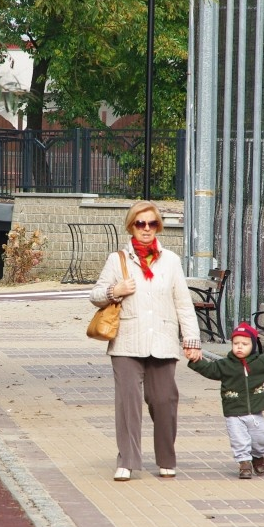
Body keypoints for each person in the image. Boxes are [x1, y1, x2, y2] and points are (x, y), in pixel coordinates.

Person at [89, 201, 202, 481]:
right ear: (131, 226)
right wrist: (115, 290)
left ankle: (166, 457)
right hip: (127, 341)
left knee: (164, 400)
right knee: (128, 403)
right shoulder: (118, 260)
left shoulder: (171, 261)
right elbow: (95, 295)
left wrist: (191, 339)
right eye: (141, 224)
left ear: (158, 227)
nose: (147, 229)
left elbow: (183, 304)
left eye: (152, 224)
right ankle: (127, 460)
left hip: (162, 340)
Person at [187, 322, 264, 479]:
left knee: (261, 438)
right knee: (239, 439)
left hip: (255, 411)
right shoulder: (225, 365)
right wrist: (195, 360)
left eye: (245, 344)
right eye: (236, 343)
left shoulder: (263, 362)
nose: (239, 347)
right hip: (234, 410)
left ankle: (258, 456)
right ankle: (244, 462)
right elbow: (210, 370)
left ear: (253, 345)